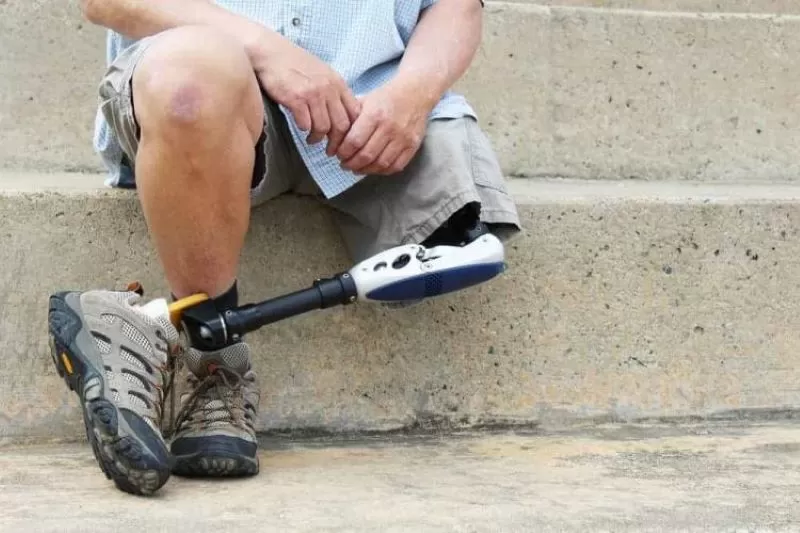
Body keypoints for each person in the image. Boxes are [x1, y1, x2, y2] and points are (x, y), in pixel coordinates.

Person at [49, 0, 521, 495]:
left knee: (464, 243)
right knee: (188, 85)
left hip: (374, 109)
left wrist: (413, 95)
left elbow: (454, 6)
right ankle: (214, 359)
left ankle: (128, 326)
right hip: (211, 86)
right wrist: (269, 51)